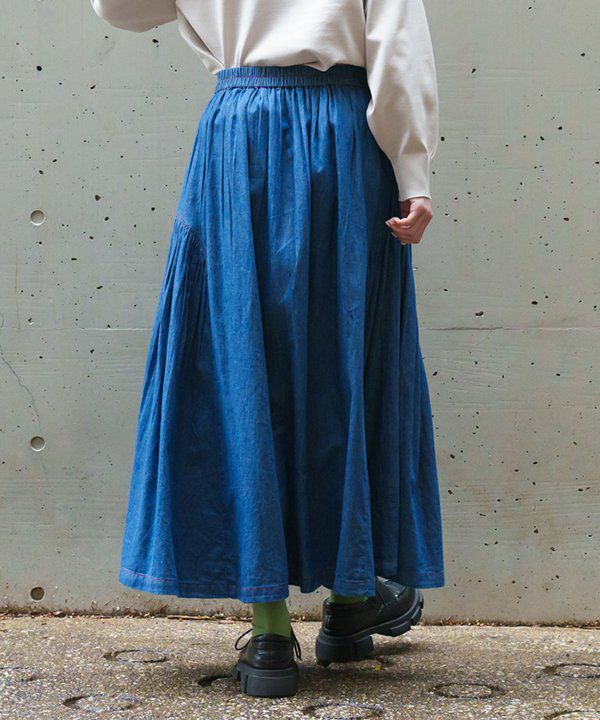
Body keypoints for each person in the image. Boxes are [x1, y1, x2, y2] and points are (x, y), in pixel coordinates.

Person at [91, 0, 445, 698]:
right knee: (345, 353)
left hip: (237, 133)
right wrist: (414, 171)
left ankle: (271, 635)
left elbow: (120, 8)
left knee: (243, 360)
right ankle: (351, 601)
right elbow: (398, 45)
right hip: (340, 138)